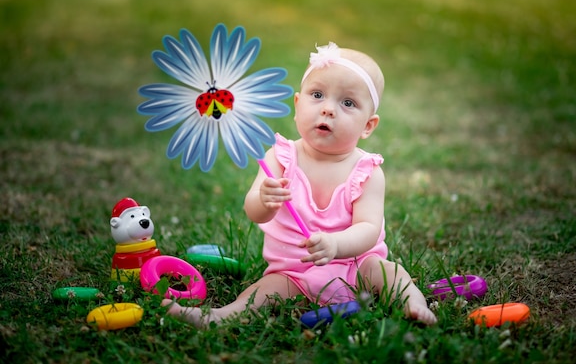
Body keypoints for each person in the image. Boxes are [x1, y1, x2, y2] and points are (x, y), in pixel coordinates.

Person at [162, 42, 437, 327]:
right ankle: (220, 317)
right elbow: (253, 212)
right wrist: (264, 199)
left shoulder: (367, 172)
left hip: (355, 267)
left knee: (387, 271)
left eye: (348, 103)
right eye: (317, 95)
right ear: (297, 105)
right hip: (293, 272)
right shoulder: (281, 157)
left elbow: (368, 230)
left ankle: (412, 301)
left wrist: (336, 244)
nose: (328, 109)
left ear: (368, 125)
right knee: (263, 291)